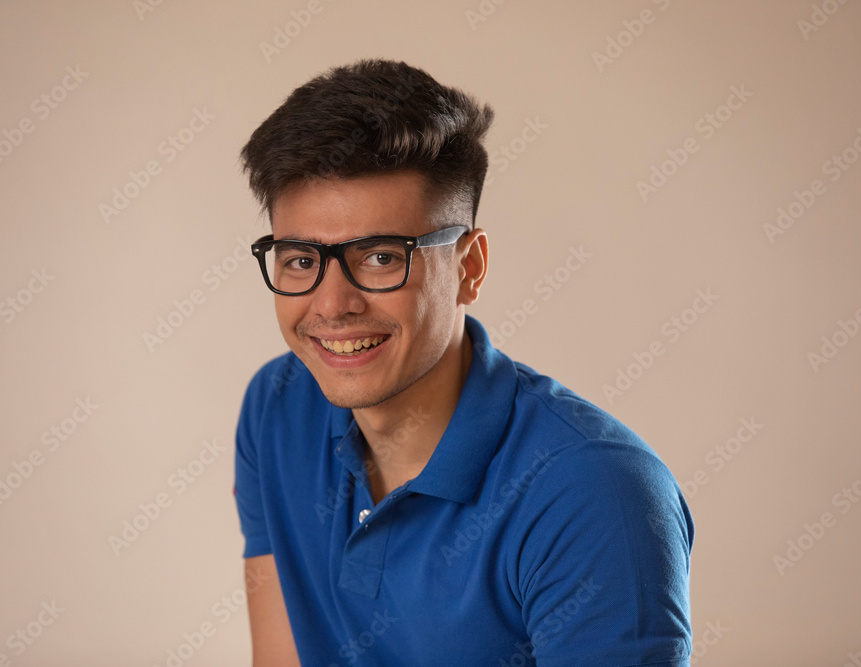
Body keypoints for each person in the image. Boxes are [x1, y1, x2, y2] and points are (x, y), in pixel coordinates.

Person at [234, 59, 693, 666]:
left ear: (469, 268)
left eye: (378, 257)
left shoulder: (595, 494)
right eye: (299, 260)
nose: (332, 304)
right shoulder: (279, 405)